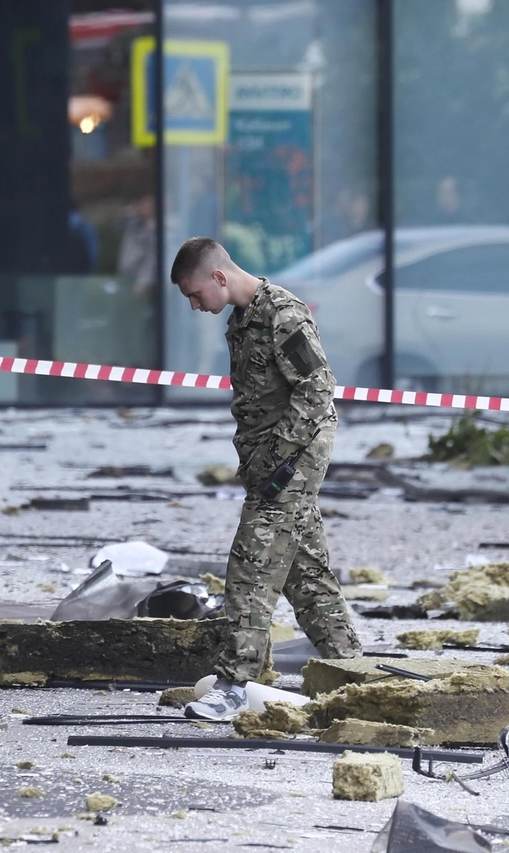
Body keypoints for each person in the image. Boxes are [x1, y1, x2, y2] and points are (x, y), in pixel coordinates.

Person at [169, 237, 362, 721]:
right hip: (268, 461)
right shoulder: (241, 318)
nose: (195, 306)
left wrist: (277, 459)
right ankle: (349, 665)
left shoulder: (283, 314)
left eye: (195, 295)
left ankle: (235, 683)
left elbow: (318, 391)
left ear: (219, 277)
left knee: (251, 566)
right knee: (303, 567)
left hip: (293, 457)